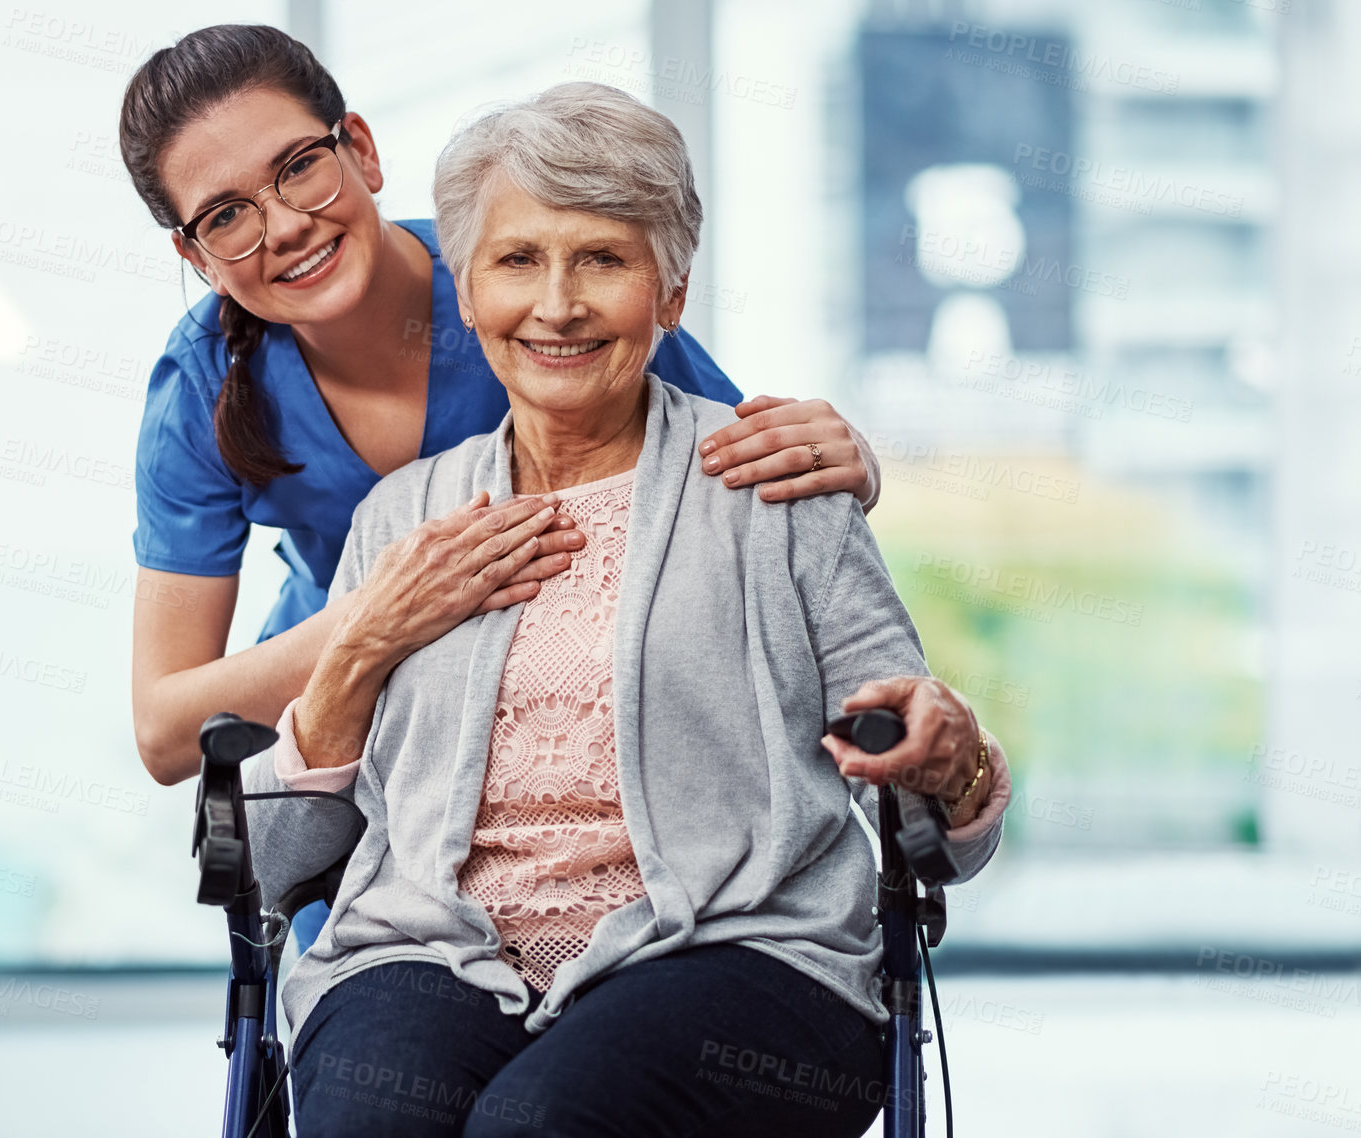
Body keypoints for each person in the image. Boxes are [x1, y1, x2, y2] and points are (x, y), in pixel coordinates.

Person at [241, 83, 1013, 1137]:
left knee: (541, 1122)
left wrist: (949, 755)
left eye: (600, 259)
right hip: (433, 951)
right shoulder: (400, 519)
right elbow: (279, 866)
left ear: (670, 293)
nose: (554, 305)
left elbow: (931, 826)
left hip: (738, 952)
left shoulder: (773, 487)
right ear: (466, 294)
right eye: (517, 261)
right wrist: (355, 651)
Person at [121, 24, 887, 796]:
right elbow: (163, 732)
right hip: (353, 734)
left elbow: (743, 489)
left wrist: (843, 458)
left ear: (360, 148)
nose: (284, 225)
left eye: (299, 167)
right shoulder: (201, 385)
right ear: (198, 259)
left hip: (589, 722)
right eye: (225, 216)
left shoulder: (527, 297)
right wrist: (378, 617)